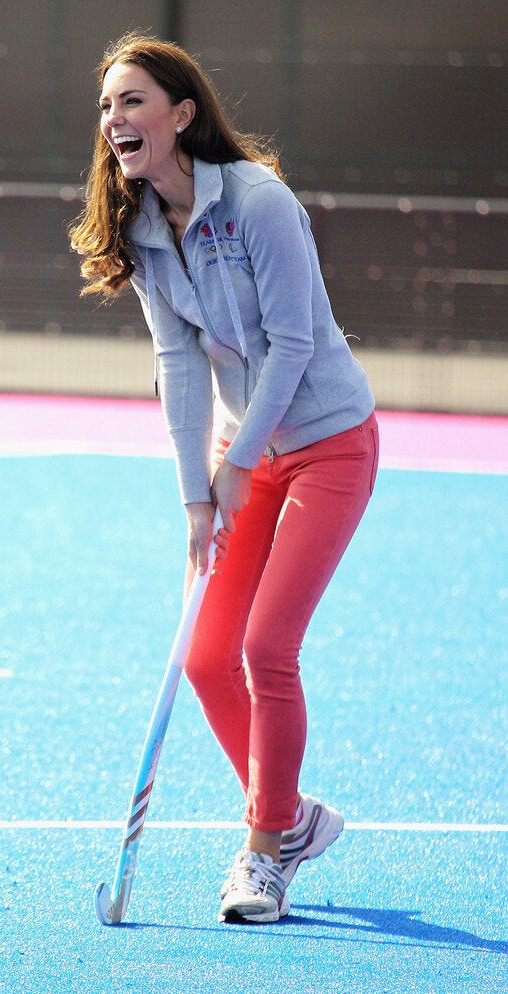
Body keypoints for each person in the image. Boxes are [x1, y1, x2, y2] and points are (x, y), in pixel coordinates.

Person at [70, 33, 379, 924]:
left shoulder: (259, 204)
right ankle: (290, 817)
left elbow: (290, 344)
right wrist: (195, 495)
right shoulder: (139, 227)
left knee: (264, 647)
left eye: (131, 101)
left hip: (325, 441)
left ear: (181, 114)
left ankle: (262, 855)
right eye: (105, 107)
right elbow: (177, 363)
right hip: (246, 455)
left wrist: (239, 465)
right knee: (206, 659)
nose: (114, 120)